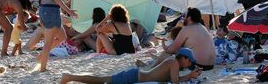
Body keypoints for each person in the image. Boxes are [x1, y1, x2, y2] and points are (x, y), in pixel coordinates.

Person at [60, 47, 201, 84]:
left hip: (136, 75)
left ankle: (70, 78)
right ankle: (69, 77)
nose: (189, 63)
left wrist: (189, 75)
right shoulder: (173, 62)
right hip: (134, 76)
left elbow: (172, 80)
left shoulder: (173, 62)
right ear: (182, 58)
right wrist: (190, 76)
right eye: (189, 61)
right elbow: (175, 82)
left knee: (101, 80)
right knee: (100, 80)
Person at [38, 0, 77, 72]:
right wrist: (69, 11)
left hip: (50, 10)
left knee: (62, 38)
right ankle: (43, 68)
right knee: (48, 42)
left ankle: (41, 57)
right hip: (50, 10)